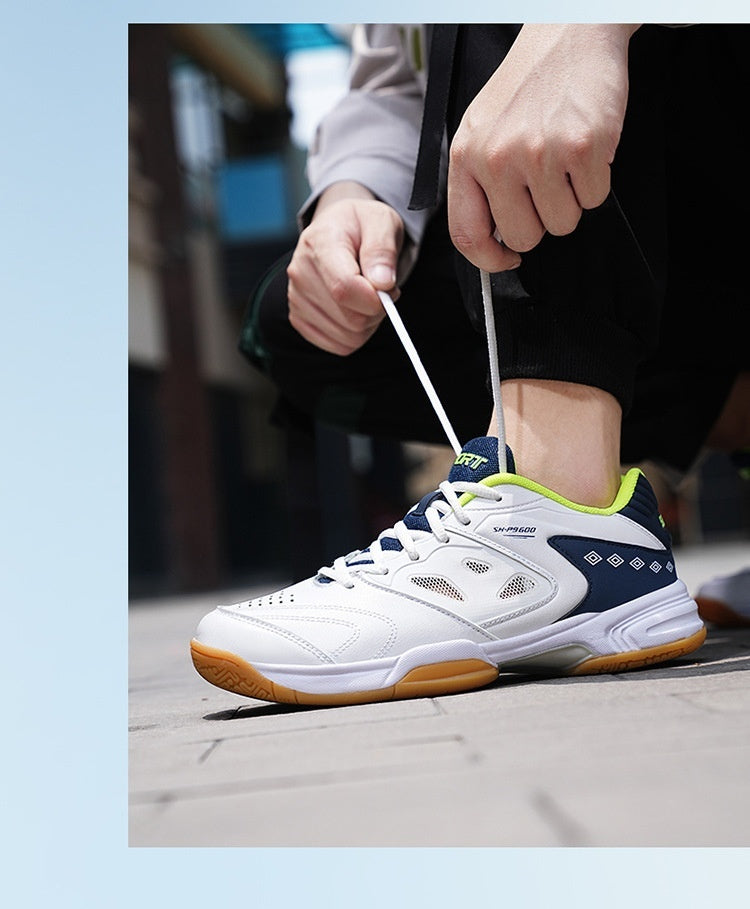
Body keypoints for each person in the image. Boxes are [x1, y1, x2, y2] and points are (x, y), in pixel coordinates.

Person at [190, 24, 750, 706]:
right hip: (656, 229)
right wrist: (352, 194)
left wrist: (582, 25)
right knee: (299, 321)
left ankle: (543, 506)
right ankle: (593, 534)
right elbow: (399, 76)